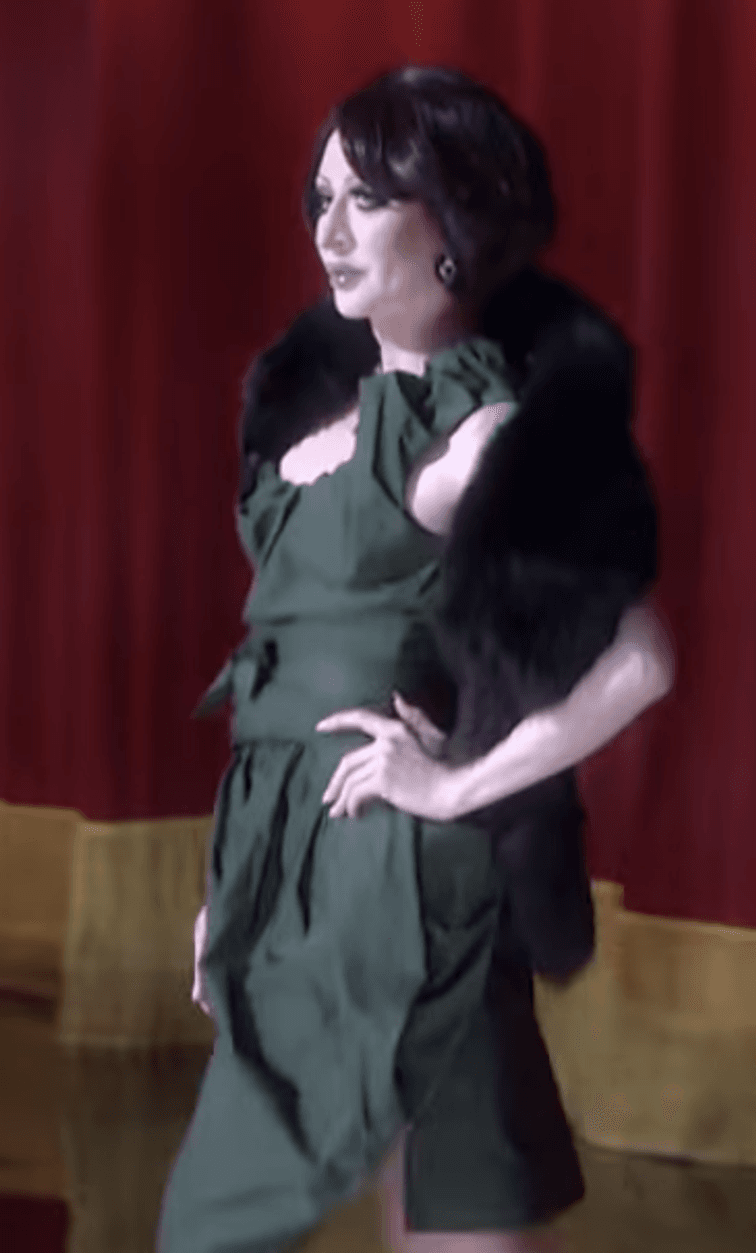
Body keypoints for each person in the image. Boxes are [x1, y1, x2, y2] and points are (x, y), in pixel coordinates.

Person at [160, 66, 674, 1253]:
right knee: (433, 1206)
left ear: (454, 220)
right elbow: (290, 680)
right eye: (320, 198)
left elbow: (636, 656)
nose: (329, 230)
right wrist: (231, 892)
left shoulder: (473, 436)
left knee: (346, 1219)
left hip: (393, 880)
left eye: (368, 198)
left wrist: (451, 786)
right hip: (305, 862)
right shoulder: (328, 424)